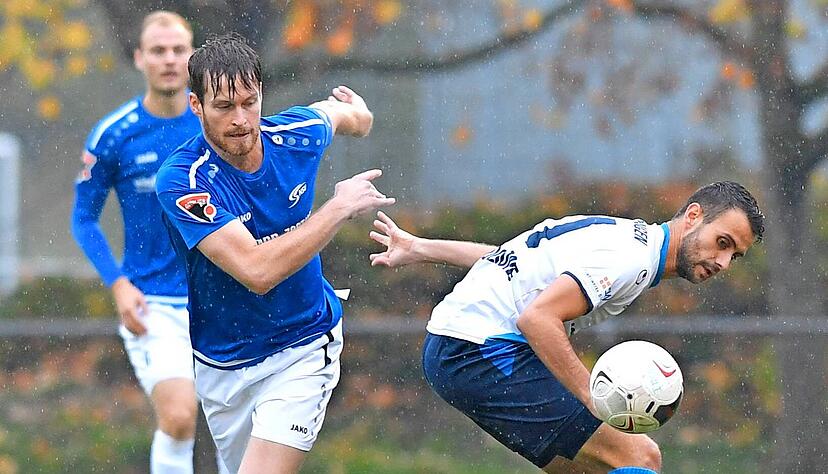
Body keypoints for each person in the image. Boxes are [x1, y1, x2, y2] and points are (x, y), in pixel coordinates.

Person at [369, 181, 764, 473]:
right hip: (477, 352)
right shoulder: (631, 259)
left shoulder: (625, 236)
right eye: (722, 242)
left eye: (735, 255)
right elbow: (537, 318)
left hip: (458, 348)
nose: (723, 262)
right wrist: (593, 396)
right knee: (639, 457)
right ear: (693, 216)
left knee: (592, 468)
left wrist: (420, 248)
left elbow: (510, 261)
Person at [155, 32, 395, 473]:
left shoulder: (295, 136)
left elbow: (345, 117)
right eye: (224, 107)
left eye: (250, 102)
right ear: (196, 106)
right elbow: (256, 271)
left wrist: (360, 114)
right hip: (223, 363)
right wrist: (338, 208)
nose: (241, 119)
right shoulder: (183, 181)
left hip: (304, 343)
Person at [70, 11, 204, 473]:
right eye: (158, 51)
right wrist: (118, 283)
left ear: (192, 57)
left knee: (240, 431)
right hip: (154, 304)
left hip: (223, 299)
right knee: (180, 417)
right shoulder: (114, 134)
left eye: (178, 50)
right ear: (139, 58)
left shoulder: (216, 123)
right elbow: (84, 219)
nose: (169, 59)